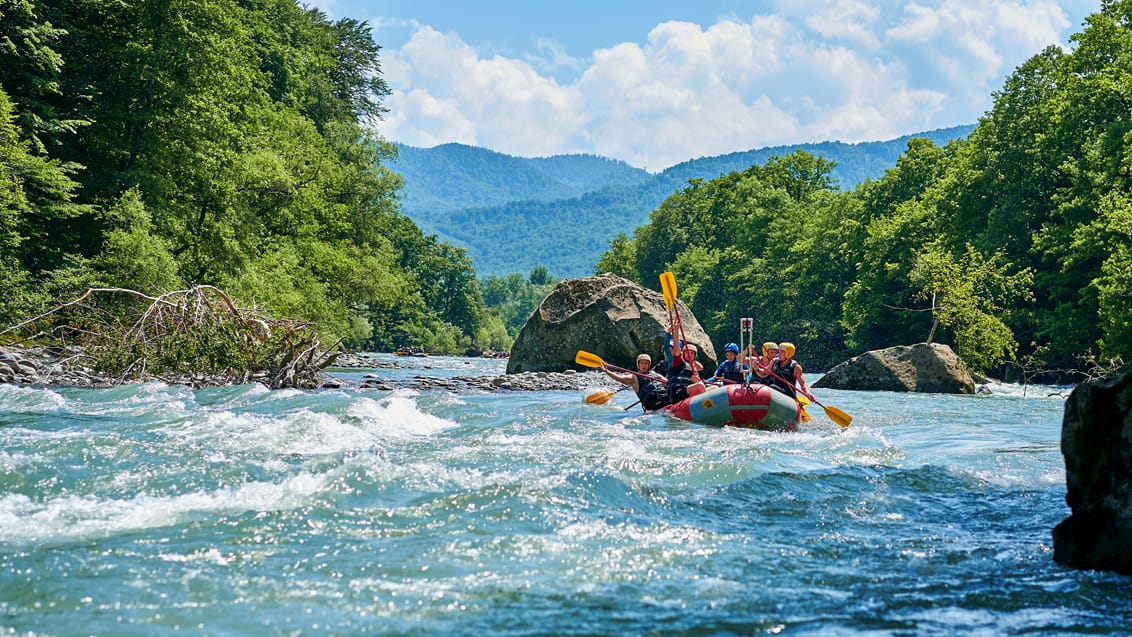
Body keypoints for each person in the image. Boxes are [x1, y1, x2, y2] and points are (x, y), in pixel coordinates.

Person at [601, 353, 669, 411]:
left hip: (663, 396)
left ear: (649, 365)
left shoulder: (655, 374)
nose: (644, 365)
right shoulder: (634, 377)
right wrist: (607, 371)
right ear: (638, 365)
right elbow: (620, 378)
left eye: (646, 363)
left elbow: (668, 382)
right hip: (652, 403)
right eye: (642, 363)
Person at [666, 340, 706, 404]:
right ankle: (707, 405)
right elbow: (676, 352)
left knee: (714, 387)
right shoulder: (678, 362)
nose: (690, 355)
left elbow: (701, 367)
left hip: (688, 392)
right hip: (677, 392)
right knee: (700, 385)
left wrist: (696, 380)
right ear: (683, 353)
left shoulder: (693, 367)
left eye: (692, 353)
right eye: (687, 352)